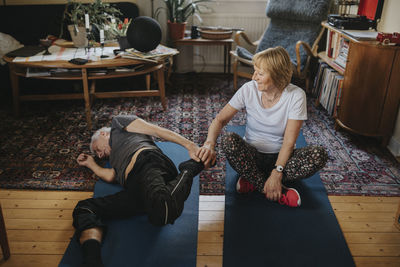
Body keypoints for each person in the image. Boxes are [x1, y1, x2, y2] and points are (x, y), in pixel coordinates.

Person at [197, 46, 328, 207]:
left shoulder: (296, 95)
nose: (254, 77)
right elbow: (220, 120)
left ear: (277, 75)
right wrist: (209, 143)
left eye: (259, 73)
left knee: (318, 154)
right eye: (254, 71)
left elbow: (288, 142)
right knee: (228, 140)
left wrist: (277, 172)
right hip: (252, 156)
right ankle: (275, 190)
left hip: (283, 160)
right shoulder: (248, 89)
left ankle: (254, 179)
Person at [73, 115, 204, 267]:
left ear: (103, 133)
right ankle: (92, 262)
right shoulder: (114, 160)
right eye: (97, 155)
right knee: (84, 208)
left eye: (97, 149)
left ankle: (189, 169)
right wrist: (91, 163)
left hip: (148, 163)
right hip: (135, 189)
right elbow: (110, 176)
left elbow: (156, 130)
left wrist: (190, 145)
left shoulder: (118, 124)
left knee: (162, 211)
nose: (100, 155)